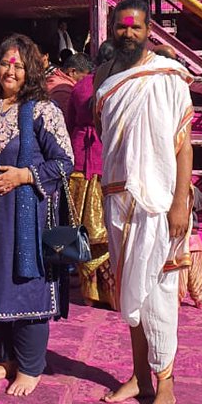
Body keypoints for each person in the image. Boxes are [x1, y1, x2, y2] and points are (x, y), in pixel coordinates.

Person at [95, 0, 193, 404]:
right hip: (118, 199)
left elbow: (182, 144)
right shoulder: (107, 76)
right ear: (111, 30)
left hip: (160, 200)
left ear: (149, 29)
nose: (128, 34)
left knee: (161, 291)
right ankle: (139, 375)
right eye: (121, 27)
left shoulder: (168, 75)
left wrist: (178, 203)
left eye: (135, 27)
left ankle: (165, 381)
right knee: (128, 291)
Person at [0, 34, 74, 397]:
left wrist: (25, 175)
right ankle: (7, 359)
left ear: (30, 69)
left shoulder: (43, 109)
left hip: (27, 213)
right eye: (5, 63)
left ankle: (31, 365)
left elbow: (65, 161)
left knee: (26, 283)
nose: (10, 70)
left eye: (18, 64)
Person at [66, 41, 116, 308]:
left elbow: (70, 122)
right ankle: (112, 292)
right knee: (107, 232)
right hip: (106, 161)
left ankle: (89, 292)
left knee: (83, 230)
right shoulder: (119, 84)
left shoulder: (80, 86)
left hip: (80, 162)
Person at [46, 52, 92, 119]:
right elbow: (70, 119)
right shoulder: (63, 92)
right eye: (84, 78)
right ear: (72, 72)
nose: (85, 82)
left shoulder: (54, 80)